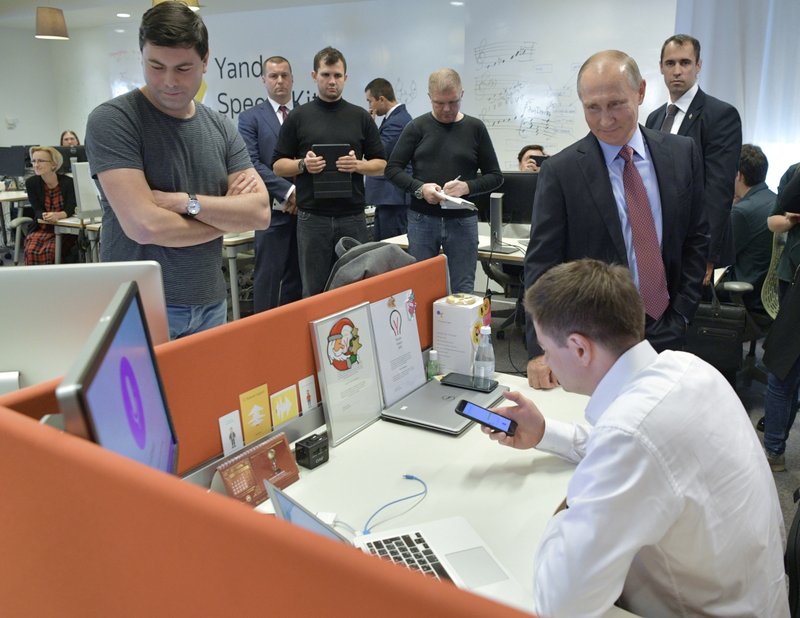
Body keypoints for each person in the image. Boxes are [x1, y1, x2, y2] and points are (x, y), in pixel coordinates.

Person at [486, 258, 787, 617]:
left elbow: (562, 604)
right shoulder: (687, 368)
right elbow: (638, 449)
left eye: (547, 350)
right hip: (755, 595)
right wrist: (545, 432)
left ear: (580, 348)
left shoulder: (632, 434)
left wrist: (564, 513)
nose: (546, 361)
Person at [524, 50, 708, 389]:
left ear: (640, 92)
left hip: (668, 325)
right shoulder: (561, 172)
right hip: (595, 338)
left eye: (616, 104)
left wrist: (682, 311)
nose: (605, 119)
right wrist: (541, 350)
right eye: (592, 108)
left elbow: (696, 237)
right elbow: (541, 266)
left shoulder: (681, 154)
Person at [85, 1, 269, 339]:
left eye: (183, 68)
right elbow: (145, 226)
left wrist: (185, 203)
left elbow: (259, 212)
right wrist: (225, 218)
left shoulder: (219, 126)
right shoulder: (114, 120)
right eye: (155, 66)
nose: (169, 81)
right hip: (142, 306)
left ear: (205, 61)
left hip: (211, 302)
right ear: (141, 57)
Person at [273, 47, 386, 297]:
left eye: (337, 75)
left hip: (353, 217)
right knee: (314, 293)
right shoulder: (299, 117)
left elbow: (382, 165)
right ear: (314, 76)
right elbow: (278, 165)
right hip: (312, 219)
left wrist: (358, 165)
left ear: (346, 77)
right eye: (326, 75)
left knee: (357, 290)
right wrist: (303, 165)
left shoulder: (360, 117)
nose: (332, 81)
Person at [385, 68, 503, 293]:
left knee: (463, 290)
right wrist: (420, 189)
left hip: (462, 221)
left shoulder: (475, 128)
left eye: (453, 102)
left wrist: (466, 187)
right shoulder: (417, 127)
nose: (447, 109)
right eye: (439, 103)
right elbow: (392, 170)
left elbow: (495, 176)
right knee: (420, 289)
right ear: (429, 97)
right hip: (422, 219)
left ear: (462, 94)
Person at [646, 34, 742, 286]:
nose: (677, 71)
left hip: (694, 245)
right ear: (661, 67)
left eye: (685, 62)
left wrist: (707, 255)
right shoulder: (654, 118)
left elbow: (718, 189)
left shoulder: (720, 115)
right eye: (670, 63)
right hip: (656, 242)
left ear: (698, 65)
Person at [238, 55, 302, 312]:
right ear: (264, 80)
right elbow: (251, 163)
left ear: (292, 79)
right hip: (271, 215)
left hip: (304, 213)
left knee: (299, 282)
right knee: (268, 281)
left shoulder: (305, 115)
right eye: (273, 76)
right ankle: (264, 334)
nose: (280, 81)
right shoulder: (250, 118)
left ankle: (293, 331)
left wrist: (301, 195)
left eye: (284, 75)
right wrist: (289, 192)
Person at [763, 165, 800, 471]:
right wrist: (791, 220)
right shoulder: (795, 173)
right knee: (784, 369)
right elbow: (774, 220)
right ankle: (774, 449)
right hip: (793, 281)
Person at [364, 77, 412, 240]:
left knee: (391, 248)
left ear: (382, 99)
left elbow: (379, 153)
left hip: (393, 197)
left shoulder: (397, 122)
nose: (370, 106)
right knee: (383, 245)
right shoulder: (393, 119)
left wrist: (369, 127)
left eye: (370, 101)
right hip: (388, 198)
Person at [728, 144, 775, 311]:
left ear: (739, 175)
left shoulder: (743, 211)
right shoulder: (774, 200)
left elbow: (720, 255)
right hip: (768, 293)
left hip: (747, 293)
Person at [23, 146, 77, 265]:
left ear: (53, 164)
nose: (36, 165)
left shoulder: (69, 182)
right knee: (31, 250)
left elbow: (71, 207)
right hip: (42, 227)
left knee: (50, 250)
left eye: (41, 161)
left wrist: (59, 215)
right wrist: (44, 215)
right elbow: (37, 209)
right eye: (34, 161)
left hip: (65, 229)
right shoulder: (31, 183)